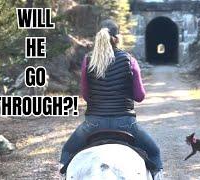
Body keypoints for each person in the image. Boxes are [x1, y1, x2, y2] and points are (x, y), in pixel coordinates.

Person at [60, 19, 163, 179]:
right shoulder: (130, 60)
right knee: (155, 153)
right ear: (117, 37)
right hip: (126, 123)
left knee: (66, 152)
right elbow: (139, 96)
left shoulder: (88, 60)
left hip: (93, 123)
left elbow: (86, 95)